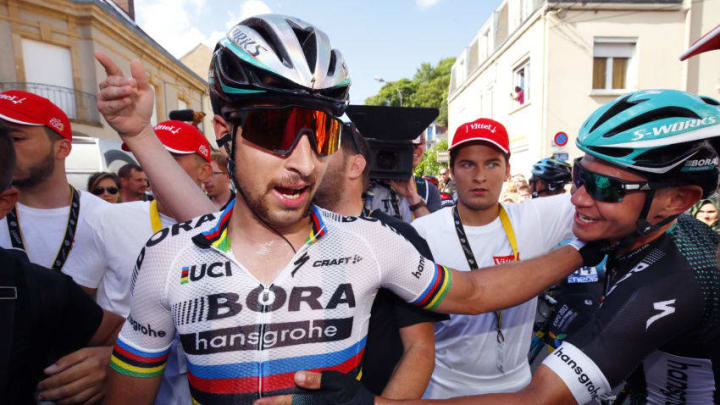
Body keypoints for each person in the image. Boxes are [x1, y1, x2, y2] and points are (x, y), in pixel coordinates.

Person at [94, 14, 591, 405]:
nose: (305, 163)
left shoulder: (371, 242)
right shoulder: (167, 257)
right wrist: (138, 135)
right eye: (276, 131)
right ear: (226, 131)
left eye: (322, 134)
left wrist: (586, 248)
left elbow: (475, 291)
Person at [275, 89, 720, 405]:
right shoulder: (625, 232)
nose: (578, 198)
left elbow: (539, 397)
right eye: (580, 176)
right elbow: (473, 293)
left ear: (678, 201)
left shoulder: (672, 277)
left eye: (603, 186)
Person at [411, 118, 574, 399]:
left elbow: (598, 199)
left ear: (508, 170)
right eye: (467, 164)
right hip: (442, 391)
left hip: (518, 389)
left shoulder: (533, 218)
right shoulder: (423, 231)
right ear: (451, 170)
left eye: (492, 164)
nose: (480, 176)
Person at [63, 120, 212, 405]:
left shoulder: (234, 228)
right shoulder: (110, 219)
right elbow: (74, 304)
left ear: (205, 170)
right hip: (125, 385)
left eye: (170, 158)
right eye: (149, 157)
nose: (155, 167)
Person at [315, 122, 447, 398]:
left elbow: (420, 349)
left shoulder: (399, 237)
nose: (306, 159)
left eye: (321, 148)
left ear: (356, 166)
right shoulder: (286, 234)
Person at [0, 90, 115, 402]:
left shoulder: (111, 220)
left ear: (63, 147)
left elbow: (149, 323)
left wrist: (113, 360)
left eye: (15, 137)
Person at [366, 133, 443, 222]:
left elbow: (433, 233)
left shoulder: (427, 190)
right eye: (407, 141)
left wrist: (413, 197)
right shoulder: (363, 185)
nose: (414, 147)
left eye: (420, 140)